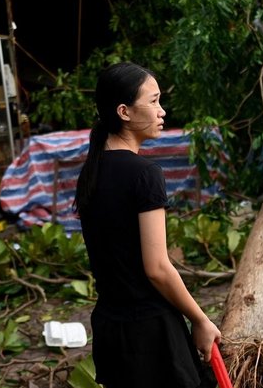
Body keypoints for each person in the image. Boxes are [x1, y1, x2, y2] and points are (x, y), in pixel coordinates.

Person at [76, 62, 221, 388]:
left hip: (110, 328)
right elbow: (156, 267)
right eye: (153, 101)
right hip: (151, 333)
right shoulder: (144, 173)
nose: (162, 111)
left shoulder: (90, 172)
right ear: (124, 111)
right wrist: (200, 320)